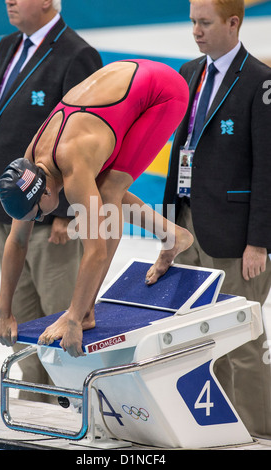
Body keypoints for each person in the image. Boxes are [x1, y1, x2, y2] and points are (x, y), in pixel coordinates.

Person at [0, 59, 193, 359]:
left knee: (107, 193)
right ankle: (173, 236)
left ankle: (87, 312)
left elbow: (96, 251)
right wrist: (3, 310)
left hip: (163, 92)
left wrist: (75, 317)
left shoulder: (73, 170)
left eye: (36, 214)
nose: (39, 219)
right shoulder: (30, 166)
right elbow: (17, 239)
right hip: (127, 80)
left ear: (46, 191)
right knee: (102, 194)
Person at [0, 0, 102, 400]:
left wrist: (68, 215)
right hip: (10, 210)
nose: (9, 1)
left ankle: (73, 411)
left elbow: (85, 140)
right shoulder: (6, 46)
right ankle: (33, 412)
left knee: (60, 322)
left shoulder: (77, 54)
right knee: (22, 326)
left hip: (52, 219)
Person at [162, 0, 271, 438]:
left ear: (233, 23)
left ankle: (261, 432)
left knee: (241, 343)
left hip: (235, 237)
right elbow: (177, 157)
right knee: (196, 341)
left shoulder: (261, 82)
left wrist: (259, 242)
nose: (196, 31)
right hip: (189, 227)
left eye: (204, 23)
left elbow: (267, 167)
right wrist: (169, 229)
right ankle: (215, 428)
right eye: (192, 22)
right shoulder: (190, 73)